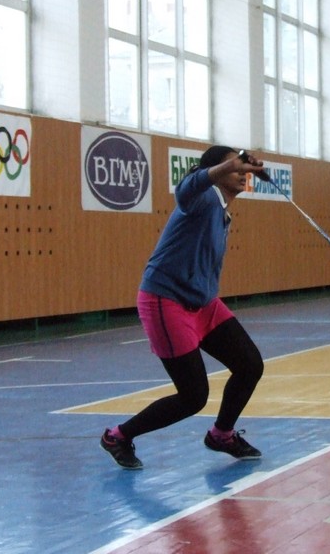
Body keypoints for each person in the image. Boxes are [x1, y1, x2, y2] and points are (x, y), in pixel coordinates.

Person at [100, 145, 267, 469]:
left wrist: (238, 166)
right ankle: (118, 436)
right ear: (215, 172)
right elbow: (186, 187)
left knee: (249, 364)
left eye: (241, 168)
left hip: (202, 304)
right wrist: (229, 165)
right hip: (165, 300)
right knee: (193, 396)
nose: (240, 172)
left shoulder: (222, 211)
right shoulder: (202, 198)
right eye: (232, 167)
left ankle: (221, 435)